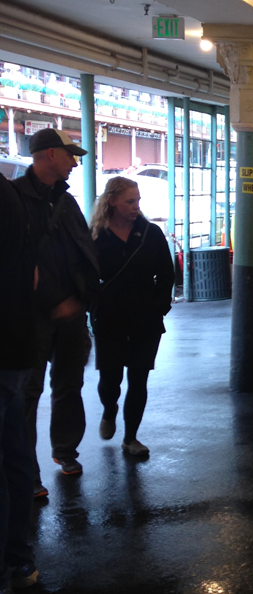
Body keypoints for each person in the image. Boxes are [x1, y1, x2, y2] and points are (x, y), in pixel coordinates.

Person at [13, 128, 99, 496]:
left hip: (72, 313)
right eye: (69, 155)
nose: (75, 163)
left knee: (69, 384)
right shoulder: (14, 199)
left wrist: (83, 300)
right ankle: (25, 470)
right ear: (49, 154)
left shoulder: (67, 202)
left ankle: (65, 451)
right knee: (26, 393)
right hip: (31, 316)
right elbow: (18, 261)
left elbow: (84, 252)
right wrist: (55, 301)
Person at [89, 177, 175, 457]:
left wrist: (159, 306)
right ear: (111, 201)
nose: (136, 207)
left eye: (138, 201)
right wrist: (93, 306)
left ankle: (131, 438)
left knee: (139, 380)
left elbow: (166, 272)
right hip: (110, 317)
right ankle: (109, 409)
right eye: (130, 201)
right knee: (110, 379)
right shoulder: (96, 236)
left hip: (145, 318)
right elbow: (86, 275)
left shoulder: (150, 233)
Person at [0, 173, 39, 591]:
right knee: (14, 457)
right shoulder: (10, 193)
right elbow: (32, 276)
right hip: (16, 345)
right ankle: (18, 558)